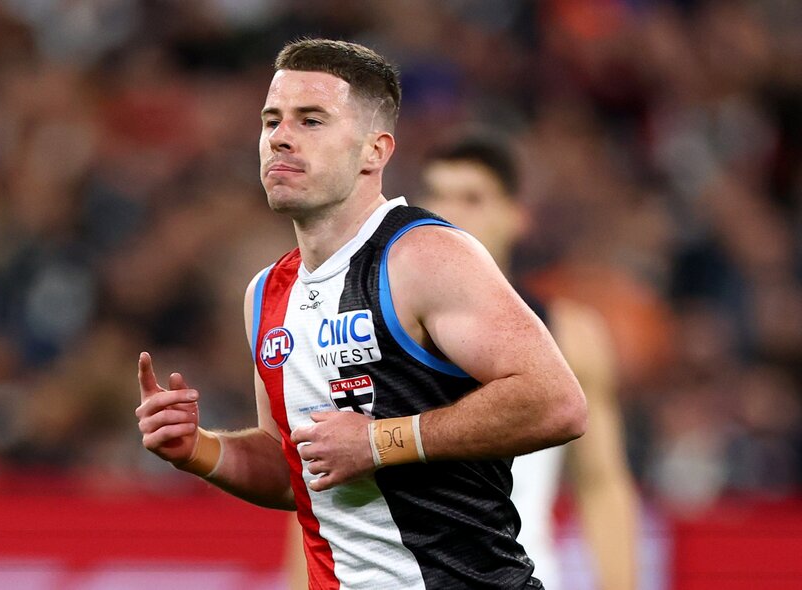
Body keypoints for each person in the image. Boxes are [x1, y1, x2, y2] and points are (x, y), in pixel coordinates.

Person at [135, 39, 587, 589]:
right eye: (271, 120)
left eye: (312, 120)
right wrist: (199, 449)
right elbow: (296, 472)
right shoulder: (265, 294)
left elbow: (556, 401)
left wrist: (377, 442)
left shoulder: (424, 255)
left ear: (375, 151)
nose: (280, 137)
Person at [419, 136, 638, 590]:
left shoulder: (570, 336)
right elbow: (324, 490)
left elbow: (601, 484)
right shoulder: (369, 329)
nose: (447, 211)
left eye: (472, 198)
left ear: (516, 217)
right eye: (436, 194)